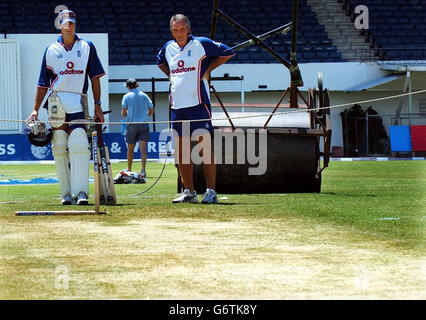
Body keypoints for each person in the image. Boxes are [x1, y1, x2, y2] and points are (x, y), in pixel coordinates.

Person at [26, 9, 106, 205]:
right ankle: (66, 194)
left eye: (71, 23)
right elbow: (43, 83)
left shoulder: (87, 46)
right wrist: (35, 108)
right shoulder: (51, 50)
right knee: (60, 145)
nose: (69, 26)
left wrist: (97, 105)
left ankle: (81, 193)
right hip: (56, 101)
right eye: (65, 23)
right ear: (59, 25)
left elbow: (95, 78)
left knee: (79, 143)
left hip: (79, 100)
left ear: (75, 25)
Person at [156, 14, 235, 204]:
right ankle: (189, 192)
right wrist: (171, 76)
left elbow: (228, 51)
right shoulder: (168, 48)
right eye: (175, 30)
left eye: (182, 29)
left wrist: (208, 69)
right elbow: (160, 62)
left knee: (204, 150)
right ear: (171, 31)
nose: (179, 33)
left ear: (189, 29)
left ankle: (211, 191)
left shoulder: (201, 44)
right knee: (182, 153)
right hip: (177, 108)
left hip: (198, 105)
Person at [121, 78, 155, 179]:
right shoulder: (144, 95)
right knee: (143, 149)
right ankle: (143, 170)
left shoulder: (126, 96)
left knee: (130, 149)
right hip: (143, 124)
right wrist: (145, 116)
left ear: (128, 86)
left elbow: (123, 113)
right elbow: (152, 110)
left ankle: (129, 169)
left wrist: (126, 115)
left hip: (131, 124)